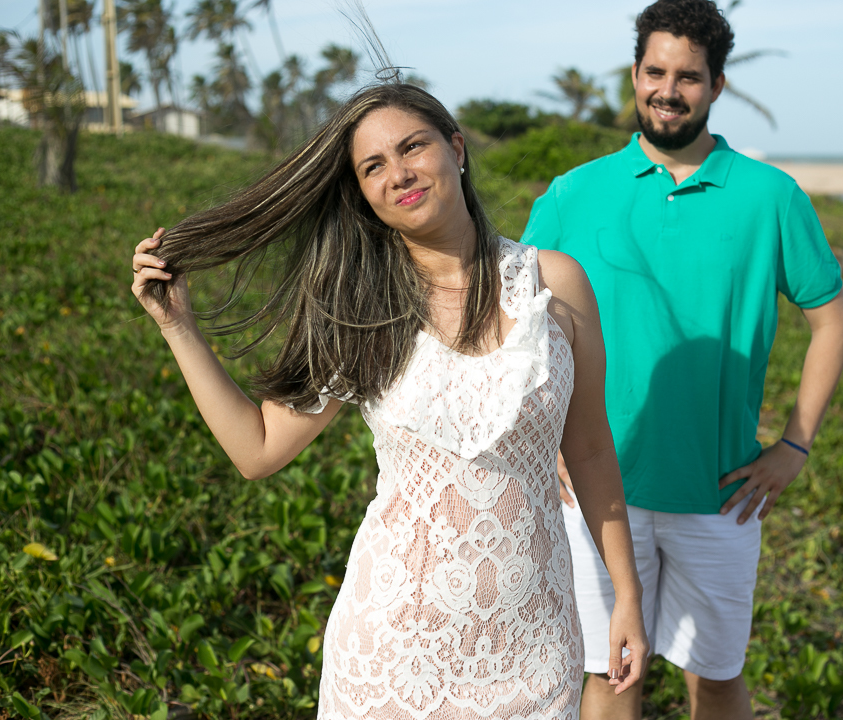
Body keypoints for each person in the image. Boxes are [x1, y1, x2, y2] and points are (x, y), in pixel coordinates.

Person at [130, 82, 648, 719]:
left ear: (456, 148)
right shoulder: (361, 310)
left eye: (412, 147)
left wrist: (626, 593)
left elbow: (590, 450)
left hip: (534, 643)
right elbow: (258, 450)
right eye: (372, 166)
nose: (397, 173)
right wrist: (177, 327)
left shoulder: (555, 283)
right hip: (393, 650)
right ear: (362, 193)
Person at [521, 1, 843, 719]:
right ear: (634, 74)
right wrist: (542, 441)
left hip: (721, 493)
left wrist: (795, 445)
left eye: (689, 77)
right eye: (655, 72)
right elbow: (517, 325)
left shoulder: (771, 197)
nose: (668, 91)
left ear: (717, 85)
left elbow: (832, 321)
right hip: (600, 490)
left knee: (718, 677)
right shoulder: (574, 193)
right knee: (612, 676)